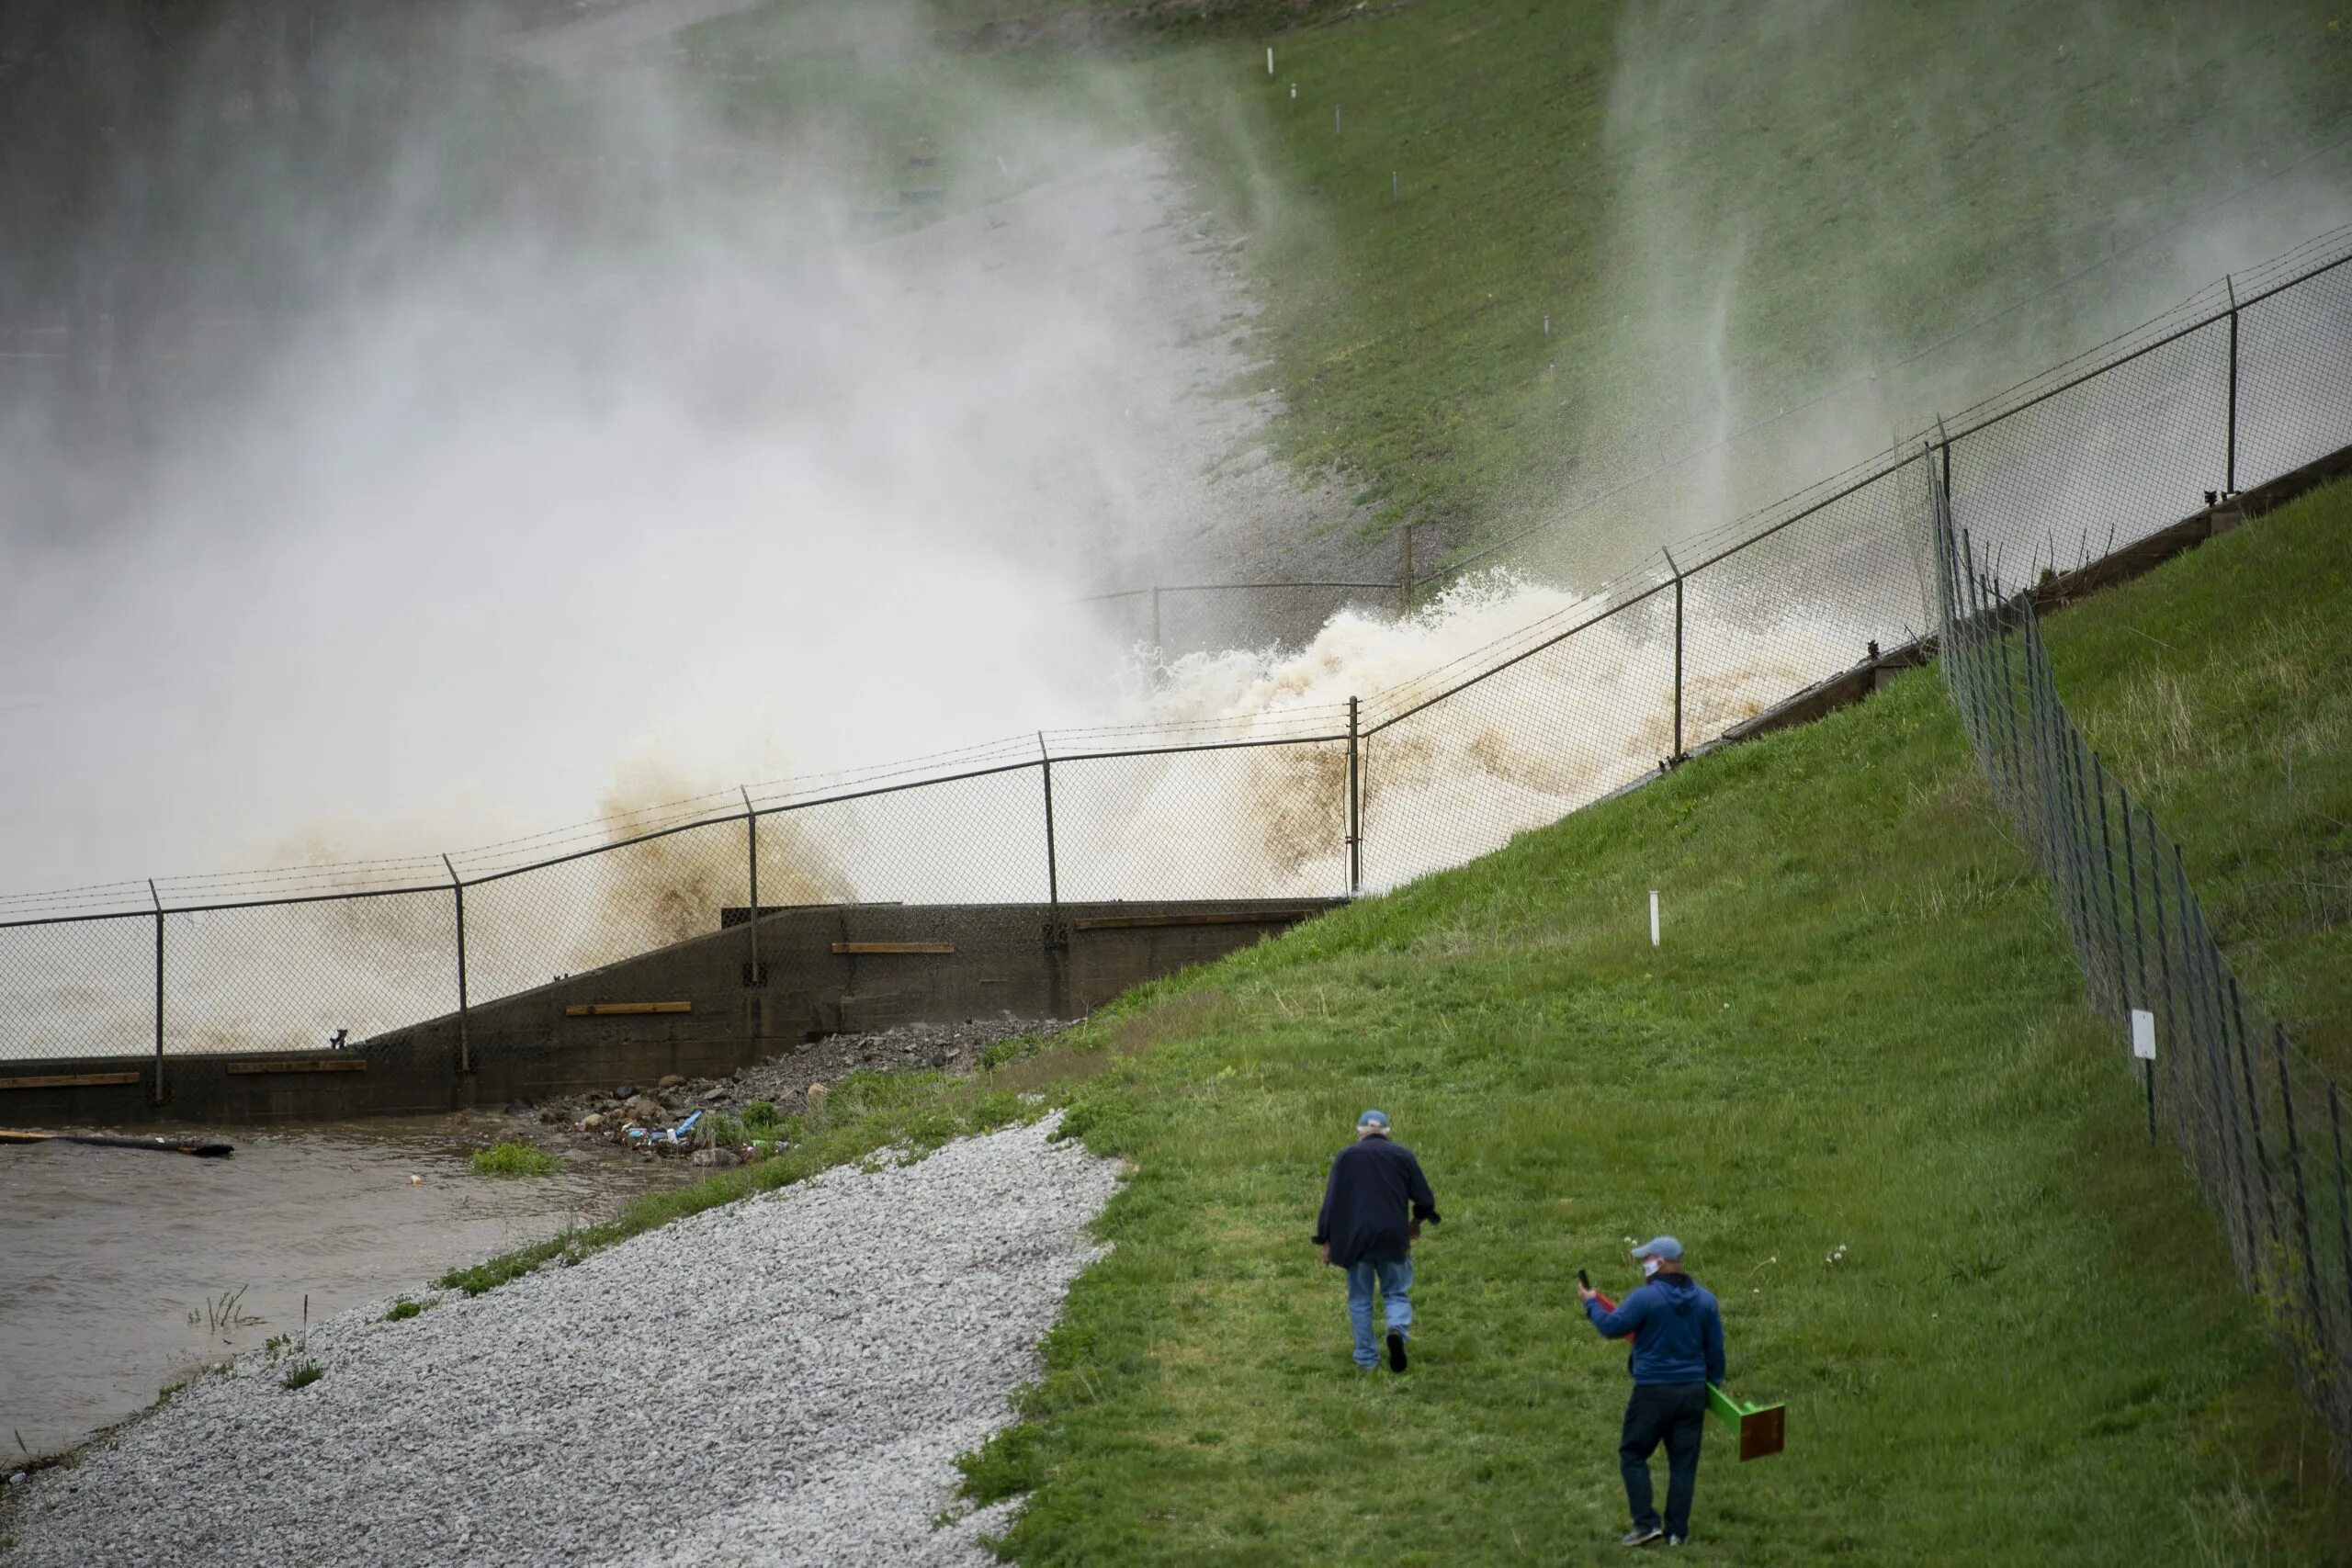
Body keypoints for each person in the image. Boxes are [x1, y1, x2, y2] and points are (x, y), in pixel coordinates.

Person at [1577, 1235, 1724, 1548]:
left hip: (1653, 1392)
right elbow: (1716, 1353)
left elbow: (1612, 1327)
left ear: (1660, 1262)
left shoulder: (1646, 1299)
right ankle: (1677, 1533)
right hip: (1692, 1392)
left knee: (1633, 1453)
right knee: (1683, 1464)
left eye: (1647, 1258)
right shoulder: (1706, 1300)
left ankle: (1646, 1524)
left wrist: (1590, 1302)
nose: (1644, 1264)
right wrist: (1712, 1387)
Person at [1312, 1109, 1440, 1371]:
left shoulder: (1346, 1157)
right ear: (1386, 1131)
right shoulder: (1402, 1156)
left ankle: (1366, 1360)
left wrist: (1325, 1240)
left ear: (1359, 1131)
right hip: (1393, 1237)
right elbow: (1425, 1200)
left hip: (1355, 1239)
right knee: (1396, 1293)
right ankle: (1396, 1331)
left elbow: (1332, 1202)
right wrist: (1415, 1223)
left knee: (1360, 1299)